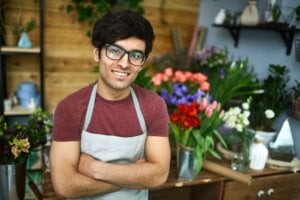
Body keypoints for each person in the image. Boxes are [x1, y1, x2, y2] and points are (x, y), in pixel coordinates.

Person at [50, 10, 170, 199]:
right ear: (97, 53)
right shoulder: (70, 108)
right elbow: (65, 185)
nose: (124, 63)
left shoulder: (153, 106)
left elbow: (159, 175)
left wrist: (95, 169)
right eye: (115, 51)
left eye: (136, 55)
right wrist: (136, 175)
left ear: (142, 62)